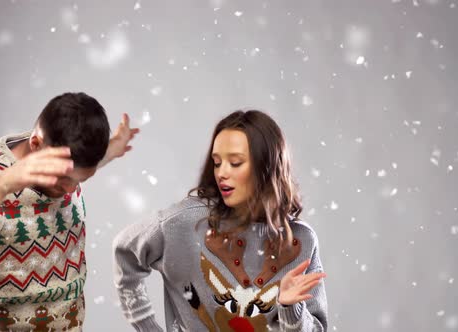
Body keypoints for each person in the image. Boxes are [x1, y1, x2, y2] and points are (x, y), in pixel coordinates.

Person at [0, 92, 139, 331]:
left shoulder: (66, 160)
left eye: (80, 180)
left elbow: (75, 170)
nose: (69, 189)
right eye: (62, 179)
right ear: (35, 144)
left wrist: (109, 151)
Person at [113, 110, 327, 332]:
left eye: (235, 163)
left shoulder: (301, 240)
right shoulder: (184, 222)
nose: (221, 173)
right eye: (217, 163)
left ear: (267, 166)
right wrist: (147, 326)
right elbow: (125, 251)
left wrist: (290, 308)